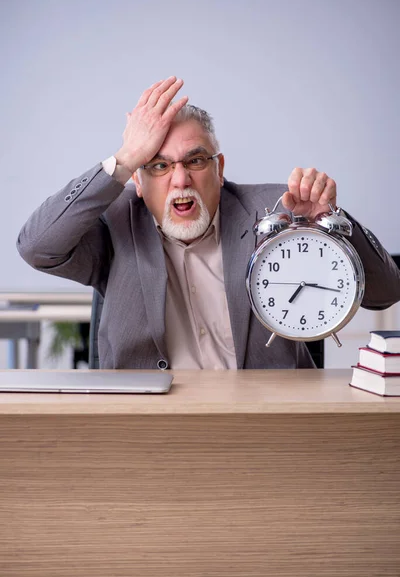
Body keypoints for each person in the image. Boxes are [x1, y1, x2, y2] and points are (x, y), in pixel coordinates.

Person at [17, 77, 400, 370]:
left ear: (218, 169)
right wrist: (126, 157)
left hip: (272, 428)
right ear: (137, 179)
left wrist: (331, 221)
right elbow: (36, 246)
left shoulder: (279, 211)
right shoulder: (115, 225)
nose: (180, 180)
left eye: (195, 161)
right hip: (149, 433)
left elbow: (386, 291)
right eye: (159, 165)